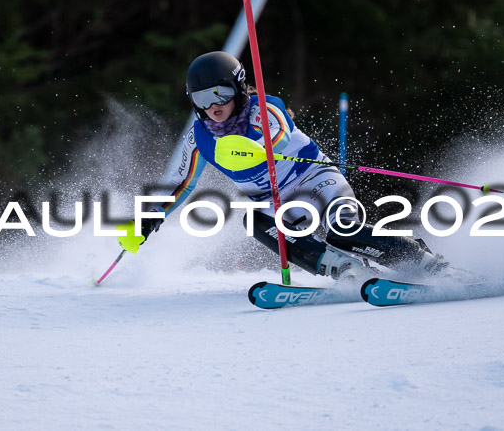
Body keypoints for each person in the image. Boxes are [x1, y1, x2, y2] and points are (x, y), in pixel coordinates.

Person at [118, 51, 452, 281]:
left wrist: (257, 148)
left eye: (220, 94)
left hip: (315, 180)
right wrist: (148, 220)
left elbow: (278, 135)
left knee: (343, 231)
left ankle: (422, 261)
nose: (213, 106)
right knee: (254, 220)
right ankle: (343, 269)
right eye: (202, 100)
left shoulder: (264, 109)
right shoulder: (199, 138)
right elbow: (181, 184)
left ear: (236, 87)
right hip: (274, 201)